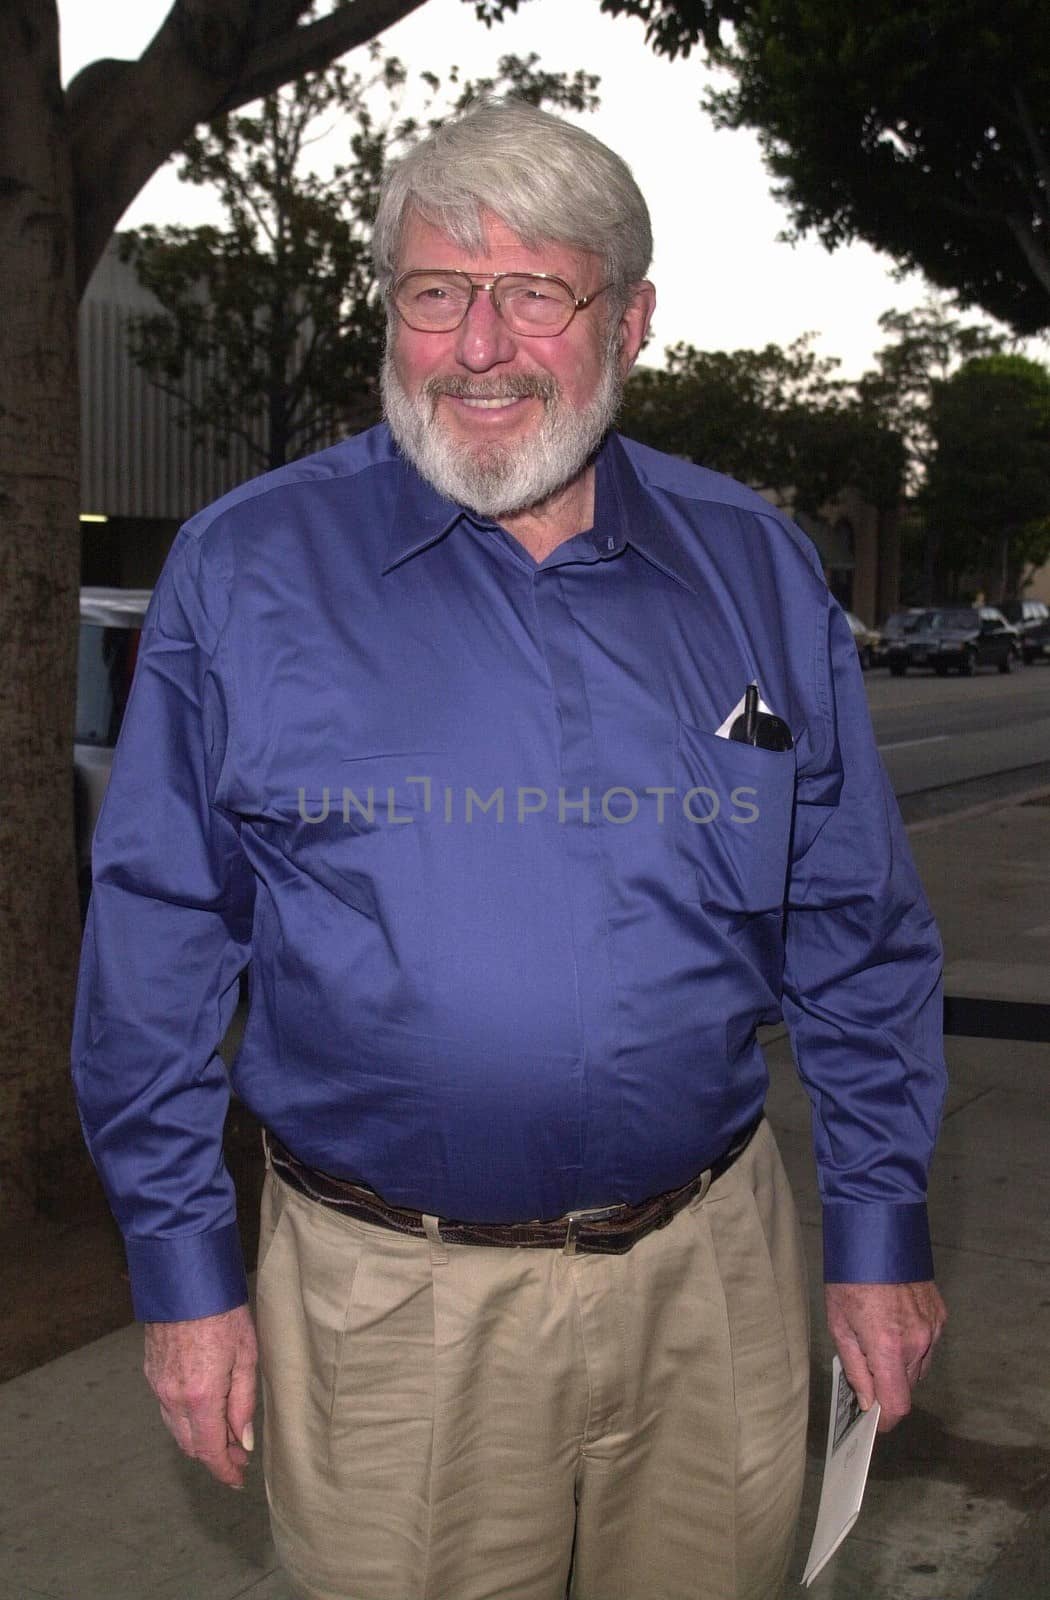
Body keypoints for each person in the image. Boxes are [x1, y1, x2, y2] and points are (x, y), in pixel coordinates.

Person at [72, 98, 947, 1600]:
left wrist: (878, 1230)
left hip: (710, 1286)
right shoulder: (248, 570)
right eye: (434, 292)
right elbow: (156, 942)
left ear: (631, 321)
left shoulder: (752, 568)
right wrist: (183, 1280)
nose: (479, 345)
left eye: (534, 292)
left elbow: (854, 929)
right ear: (391, 315)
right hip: (381, 1310)